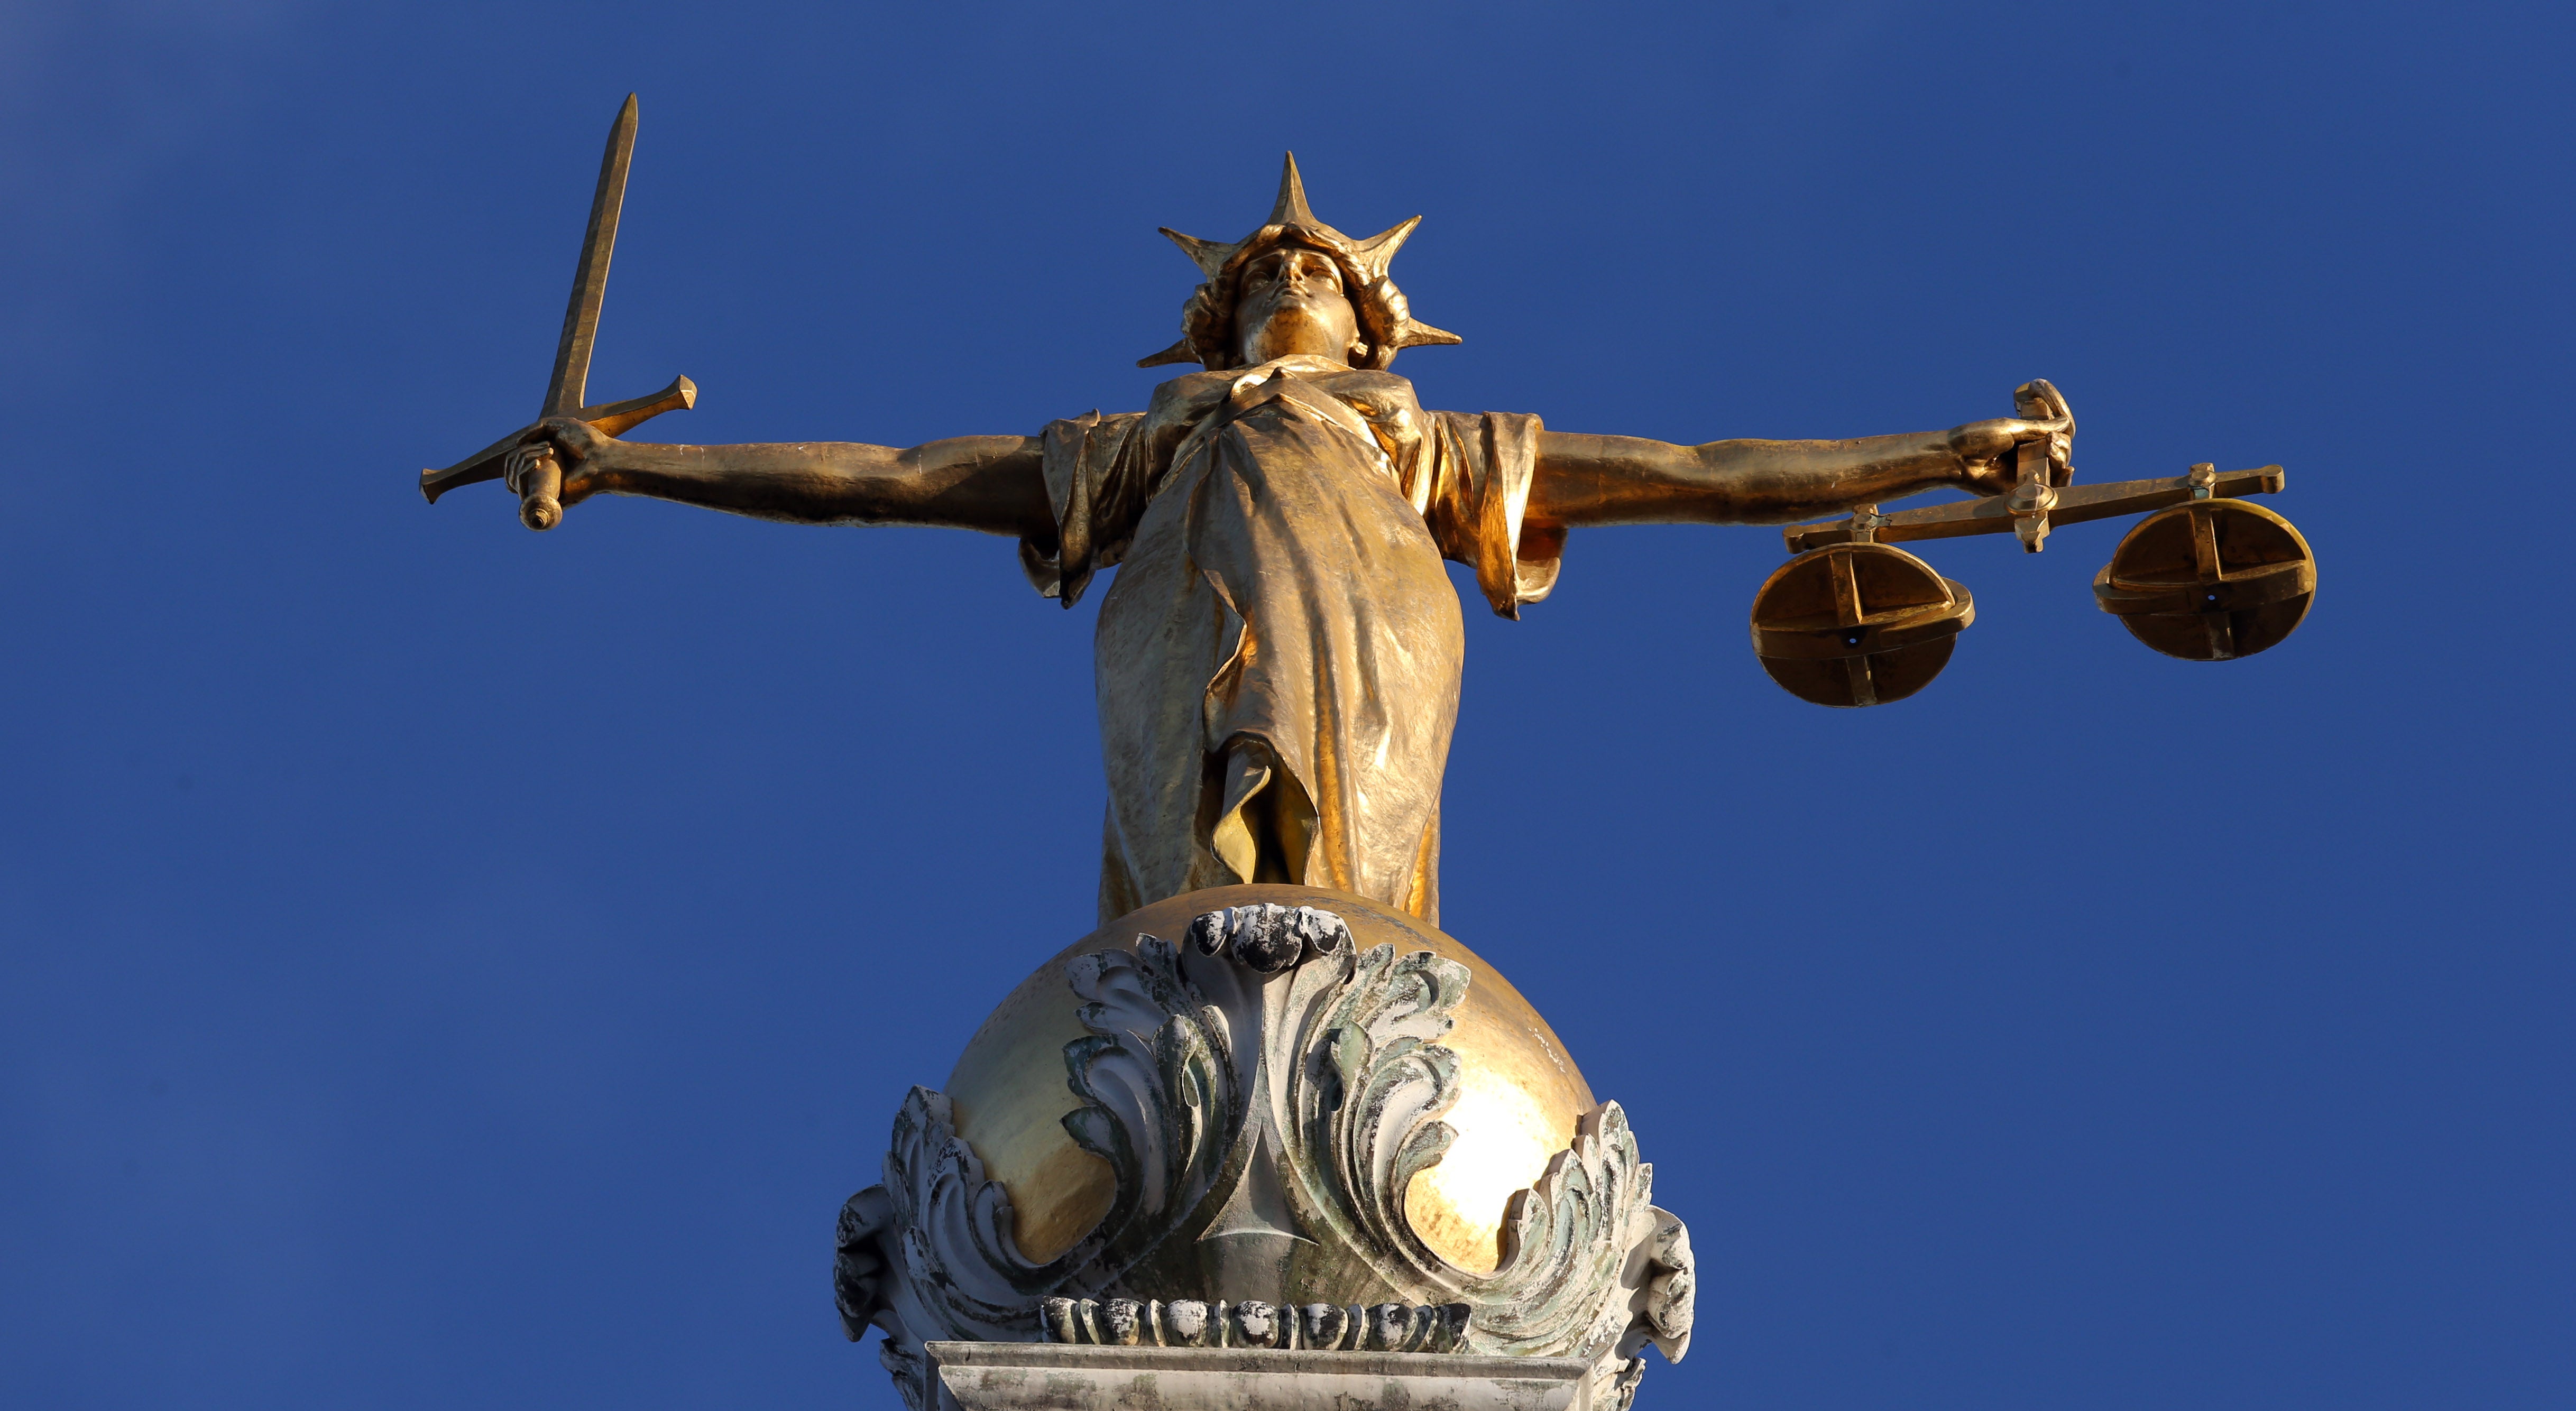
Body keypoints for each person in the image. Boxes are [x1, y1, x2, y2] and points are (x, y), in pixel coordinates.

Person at [509, 158, 2069, 926]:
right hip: (1179, 627)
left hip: (1376, 622)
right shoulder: (1142, 445)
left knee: (1345, 903)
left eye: (1314, 269)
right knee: (1195, 883)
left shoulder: (1419, 440)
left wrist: (1944, 449)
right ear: (1219, 314)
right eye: (1264, 272)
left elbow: (1694, 468)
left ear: (1374, 319)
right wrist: (644, 473)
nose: (1288, 277)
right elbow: (895, 477)